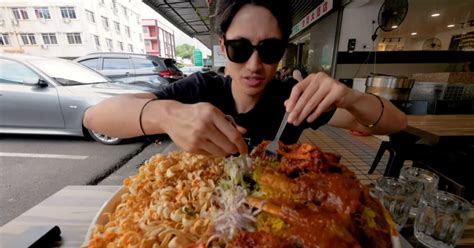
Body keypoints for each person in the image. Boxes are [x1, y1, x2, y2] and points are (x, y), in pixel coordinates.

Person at [83, 0, 407, 157]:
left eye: (269, 49)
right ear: (223, 46)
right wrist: (166, 115)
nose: (254, 65)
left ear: (282, 50)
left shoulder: (293, 99)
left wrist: (350, 96)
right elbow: (94, 117)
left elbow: (394, 124)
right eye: (240, 48)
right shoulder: (202, 88)